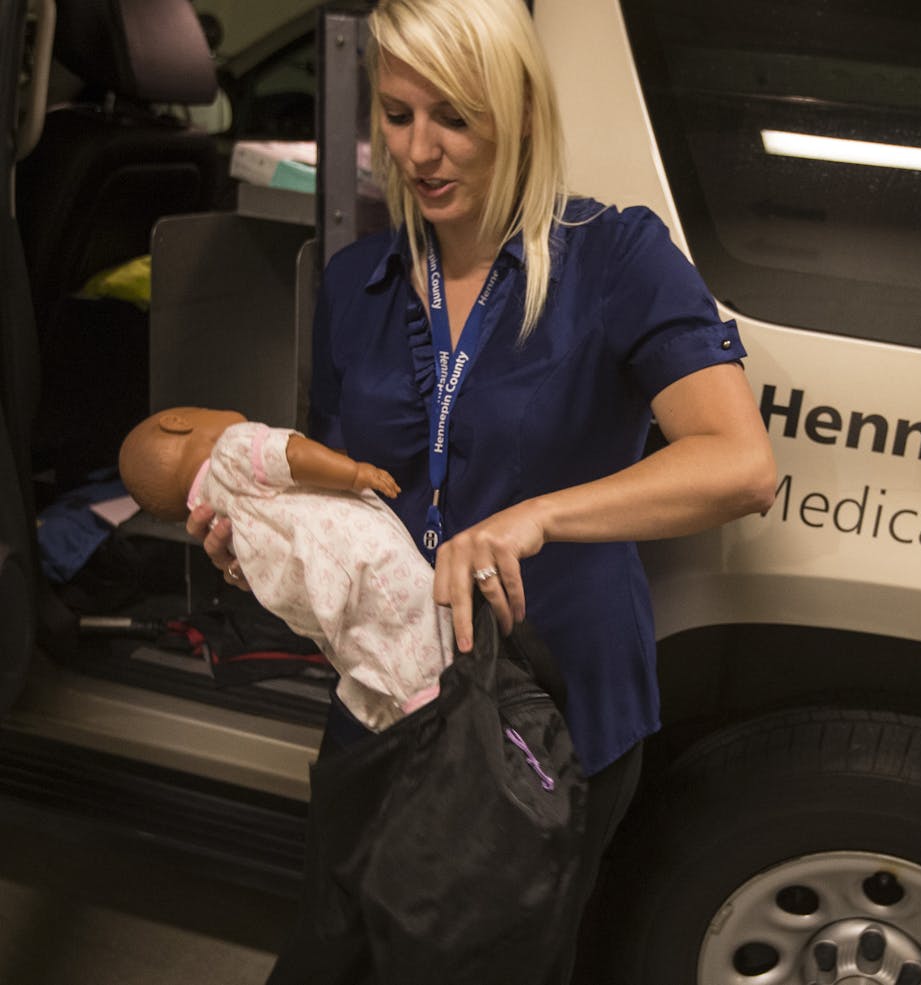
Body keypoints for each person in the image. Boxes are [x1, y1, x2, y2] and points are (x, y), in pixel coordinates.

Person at [187, 0, 777, 980]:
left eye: (454, 117)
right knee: (331, 951)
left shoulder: (616, 258)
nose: (420, 151)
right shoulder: (355, 283)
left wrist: (534, 516)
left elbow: (736, 463)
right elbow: (352, 494)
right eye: (399, 115)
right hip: (385, 699)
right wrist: (269, 547)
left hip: (546, 713)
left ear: (522, 114)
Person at [119, 407, 452, 731]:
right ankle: (439, 699)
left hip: (320, 600)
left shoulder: (216, 511)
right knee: (408, 613)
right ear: (176, 423)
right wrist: (353, 473)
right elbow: (292, 454)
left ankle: (409, 710)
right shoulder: (229, 449)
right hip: (357, 556)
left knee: (367, 649)